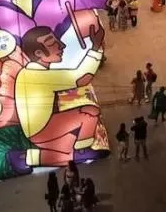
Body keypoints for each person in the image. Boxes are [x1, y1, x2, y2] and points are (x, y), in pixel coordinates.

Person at [10, 25, 104, 170]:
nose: (61, 45)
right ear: (39, 53)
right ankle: (83, 149)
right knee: (90, 112)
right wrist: (96, 48)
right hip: (43, 129)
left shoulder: (26, 72)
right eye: (52, 43)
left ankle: (34, 157)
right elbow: (82, 77)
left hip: (36, 128)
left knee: (66, 149)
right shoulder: (40, 76)